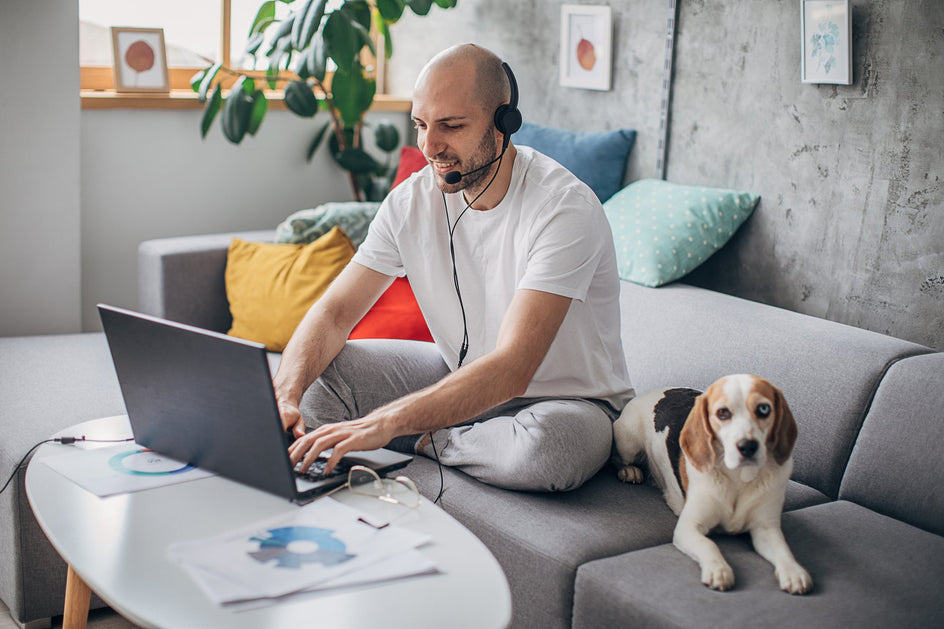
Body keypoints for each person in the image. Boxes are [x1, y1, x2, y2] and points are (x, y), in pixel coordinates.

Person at [275, 43, 633, 492]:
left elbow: (513, 367)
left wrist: (389, 422)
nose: (429, 147)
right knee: (319, 379)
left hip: (567, 404)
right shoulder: (410, 201)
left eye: (450, 126)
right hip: (459, 376)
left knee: (545, 453)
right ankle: (435, 444)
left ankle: (428, 440)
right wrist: (285, 393)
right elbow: (333, 314)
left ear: (504, 122)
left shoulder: (563, 207)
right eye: (421, 125)